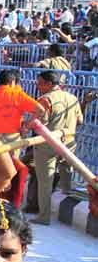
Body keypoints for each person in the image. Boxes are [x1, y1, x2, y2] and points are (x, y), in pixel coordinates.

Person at [31, 70, 83, 225]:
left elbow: (39, 124)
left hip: (48, 144)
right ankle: (67, 193)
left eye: (40, 83)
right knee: (66, 172)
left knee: (45, 181)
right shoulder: (73, 98)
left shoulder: (45, 100)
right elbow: (80, 120)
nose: (38, 86)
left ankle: (44, 216)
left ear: (48, 84)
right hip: (69, 142)